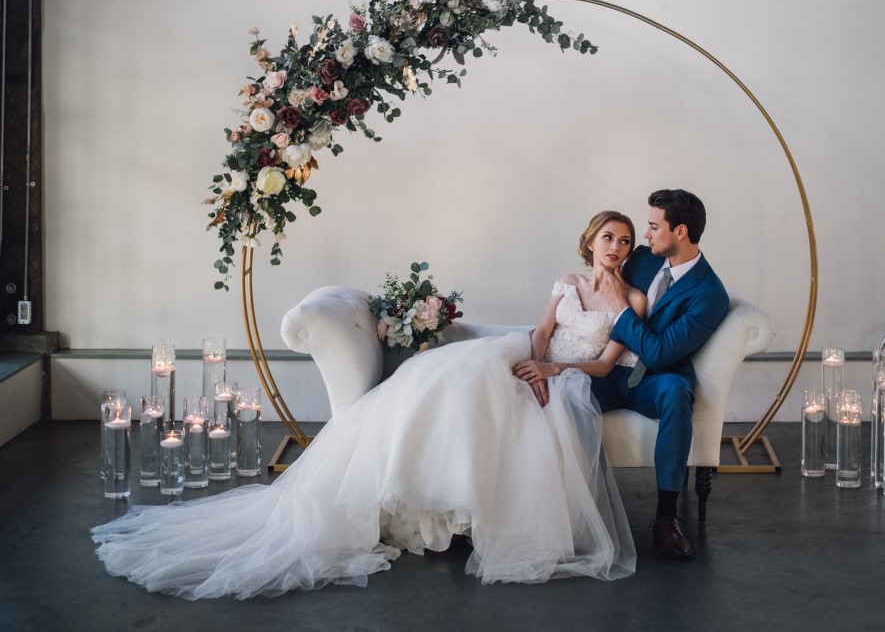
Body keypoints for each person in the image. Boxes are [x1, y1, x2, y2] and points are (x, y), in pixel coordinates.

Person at [91, 211, 640, 599]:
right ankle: (411, 494)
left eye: (625, 241)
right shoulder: (568, 282)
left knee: (495, 402)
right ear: (590, 242)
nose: (614, 247)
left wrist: (551, 373)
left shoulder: (631, 300)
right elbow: (540, 331)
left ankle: (456, 507)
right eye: (607, 237)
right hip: (529, 357)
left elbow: (604, 365)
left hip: (571, 377)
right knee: (446, 374)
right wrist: (532, 362)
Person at [592, 189, 729, 559]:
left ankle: (666, 519)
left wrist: (622, 310)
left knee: (676, 393)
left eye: (654, 226)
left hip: (654, 378)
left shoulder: (709, 293)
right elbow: (598, 290)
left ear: (680, 232)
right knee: (559, 387)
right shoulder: (642, 259)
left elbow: (660, 352)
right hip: (608, 370)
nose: (646, 234)